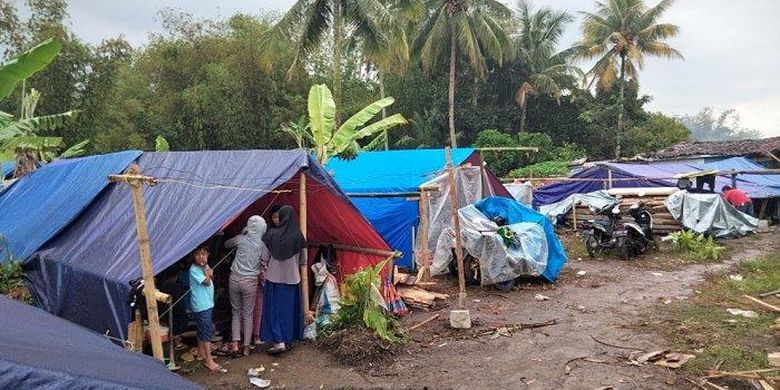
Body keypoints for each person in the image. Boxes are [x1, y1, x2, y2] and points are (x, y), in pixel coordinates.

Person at [261, 205, 307, 355]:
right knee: (289, 311)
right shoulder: (299, 236)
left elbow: (264, 257)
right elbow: (303, 260)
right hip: (292, 279)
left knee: (274, 311)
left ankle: (278, 342)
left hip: (273, 278)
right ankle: (287, 340)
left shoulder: (270, 234)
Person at [224, 215, 269, 357]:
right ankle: (247, 346)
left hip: (234, 279)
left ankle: (235, 344)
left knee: (236, 313)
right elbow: (266, 259)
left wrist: (242, 234)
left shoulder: (240, 239)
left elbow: (227, 244)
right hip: (250, 281)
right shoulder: (262, 245)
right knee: (248, 314)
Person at [188, 245, 223, 373]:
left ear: (208, 255)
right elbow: (207, 281)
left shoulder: (203, 267)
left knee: (202, 329)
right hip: (202, 305)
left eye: (203, 254)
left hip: (206, 303)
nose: (201, 257)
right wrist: (206, 271)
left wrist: (207, 270)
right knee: (206, 331)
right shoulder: (194, 269)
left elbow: (211, 276)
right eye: (198, 254)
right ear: (193, 256)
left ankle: (201, 353)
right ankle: (209, 360)